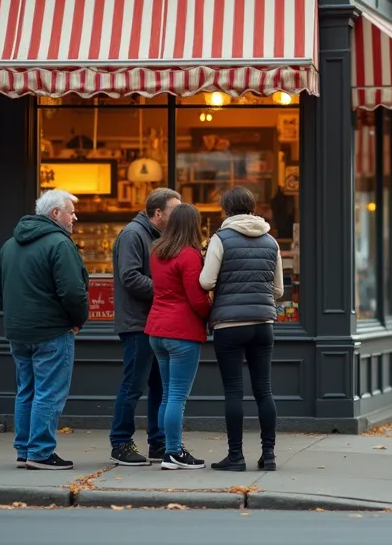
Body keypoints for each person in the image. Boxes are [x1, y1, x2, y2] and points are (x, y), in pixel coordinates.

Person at [0, 189, 88, 470]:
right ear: (56, 214)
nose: (74, 217)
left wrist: (17, 314)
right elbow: (73, 291)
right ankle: (41, 452)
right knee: (48, 392)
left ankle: (25, 449)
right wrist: (78, 320)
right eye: (71, 211)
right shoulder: (59, 244)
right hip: (52, 330)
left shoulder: (10, 244)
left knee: (27, 391)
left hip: (18, 331)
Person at [199, 187, 283, 472]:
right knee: (264, 391)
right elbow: (279, 289)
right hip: (263, 324)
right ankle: (268, 455)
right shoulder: (271, 241)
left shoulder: (220, 239)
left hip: (230, 325)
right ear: (252, 206)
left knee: (234, 391)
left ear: (226, 209)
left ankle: (235, 456)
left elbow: (207, 281)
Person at [109, 188, 181, 466]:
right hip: (138, 323)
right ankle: (121, 443)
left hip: (154, 321)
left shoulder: (155, 236)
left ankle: (158, 442)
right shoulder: (133, 235)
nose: (178, 217)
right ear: (158, 212)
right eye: (174, 211)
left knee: (159, 387)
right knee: (133, 386)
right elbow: (130, 277)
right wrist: (166, 290)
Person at [145, 203, 212, 470]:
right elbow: (197, 299)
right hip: (182, 333)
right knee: (176, 397)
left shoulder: (157, 252)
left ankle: (166, 448)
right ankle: (173, 452)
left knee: (166, 395)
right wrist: (212, 313)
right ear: (193, 225)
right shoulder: (189, 255)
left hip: (157, 330)